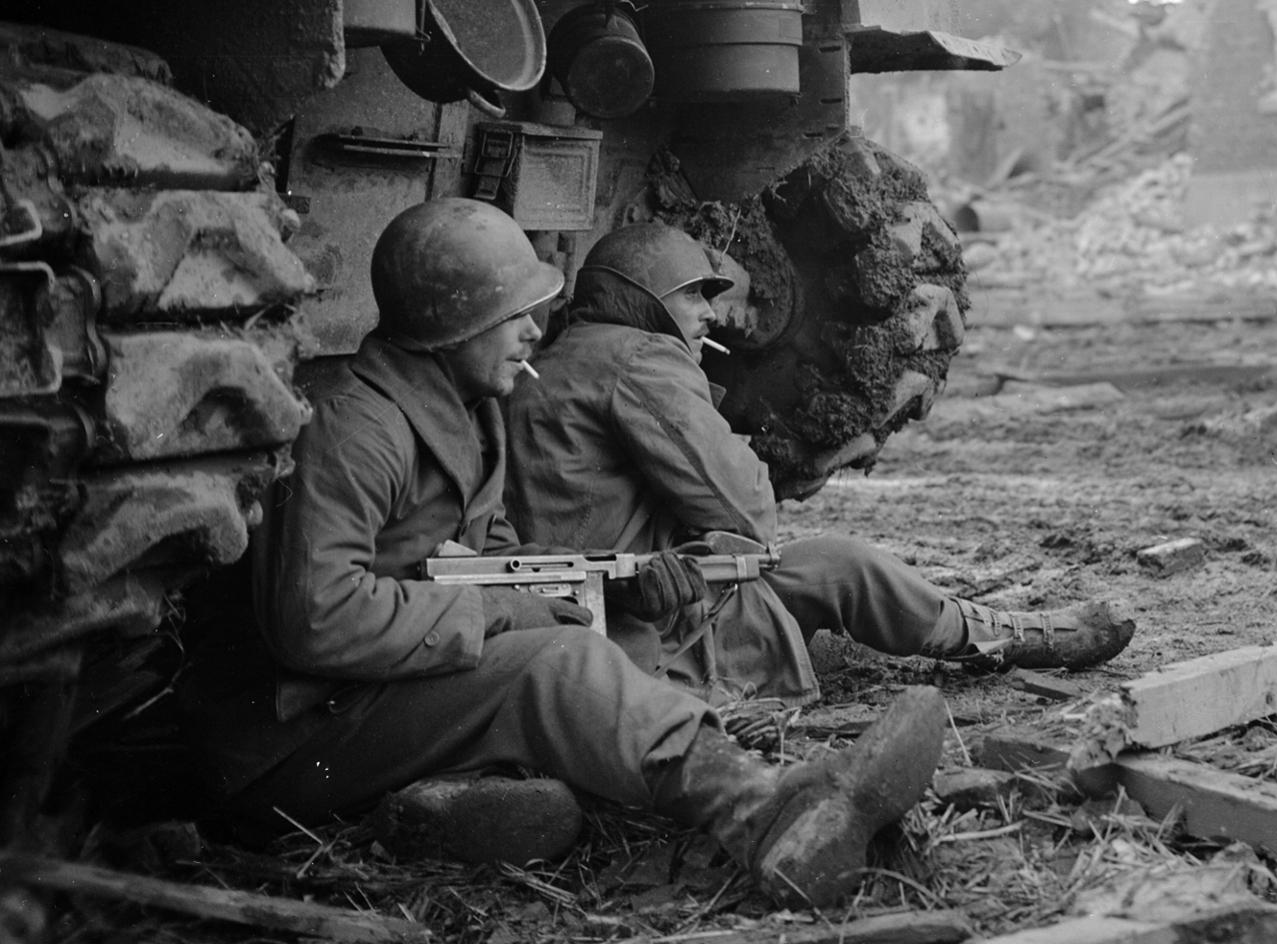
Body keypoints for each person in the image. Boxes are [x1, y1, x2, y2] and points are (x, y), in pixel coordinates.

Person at [180, 198, 945, 907]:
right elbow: (315, 618)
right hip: (294, 736)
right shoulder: (354, 428)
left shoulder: (474, 413)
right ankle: (768, 814)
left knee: (594, 643)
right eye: (515, 314)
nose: (533, 332)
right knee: (557, 668)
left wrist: (619, 584)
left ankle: (479, 808)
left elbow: (501, 557)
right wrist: (498, 613)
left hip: (377, 691)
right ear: (456, 324)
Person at [502, 221, 1134, 708]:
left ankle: (986, 634)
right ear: (643, 297)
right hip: (648, 630)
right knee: (843, 567)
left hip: (594, 621)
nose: (709, 313)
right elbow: (747, 514)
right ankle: (1011, 640)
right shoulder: (640, 358)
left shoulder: (566, 359)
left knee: (827, 572)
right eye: (692, 294)